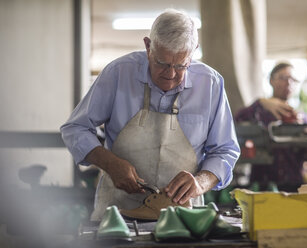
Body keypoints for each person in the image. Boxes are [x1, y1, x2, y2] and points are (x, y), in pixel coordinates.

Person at [60, 9, 240, 220]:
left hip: (182, 215)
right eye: (162, 63)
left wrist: (200, 182)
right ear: (148, 46)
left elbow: (225, 150)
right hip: (117, 211)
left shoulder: (210, 84)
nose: (171, 74)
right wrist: (110, 163)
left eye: (181, 65)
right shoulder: (118, 73)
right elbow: (75, 128)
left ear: (194, 52)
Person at [235, 62, 307, 192]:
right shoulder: (260, 111)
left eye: (293, 80)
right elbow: (237, 118)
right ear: (271, 80)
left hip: (293, 185)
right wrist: (261, 102)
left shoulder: (301, 118)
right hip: (262, 184)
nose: (288, 83)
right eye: (283, 78)